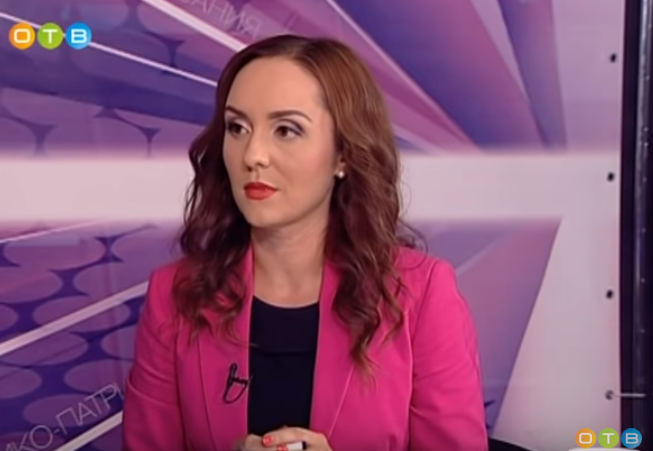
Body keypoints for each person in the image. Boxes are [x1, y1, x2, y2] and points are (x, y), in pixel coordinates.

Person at [122, 34, 488, 451]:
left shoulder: (421, 295)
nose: (253, 155)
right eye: (237, 127)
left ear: (343, 154)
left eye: (286, 130)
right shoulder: (174, 296)